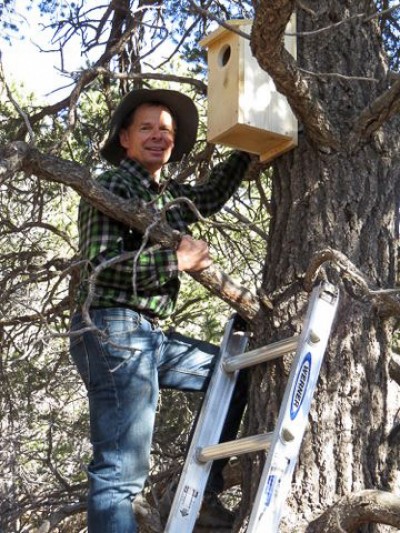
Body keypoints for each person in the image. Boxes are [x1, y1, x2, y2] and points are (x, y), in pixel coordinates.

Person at [69, 88, 251, 532]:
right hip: (112, 327)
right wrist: (176, 261)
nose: (158, 136)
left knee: (232, 371)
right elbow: (99, 271)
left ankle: (201, 495)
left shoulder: (163, 195)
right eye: (146, 128)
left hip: (145, 334)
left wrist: (250, 148)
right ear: (125, 139)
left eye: (165, 130)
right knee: (120, 473)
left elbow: (207, 196)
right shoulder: (113, 185)